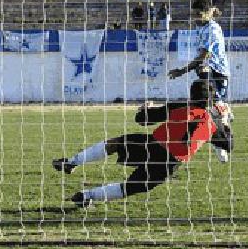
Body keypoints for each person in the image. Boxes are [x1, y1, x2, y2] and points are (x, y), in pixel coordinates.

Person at [50, 80, 231, 207]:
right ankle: (87, 196)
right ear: (210, 100)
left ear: (191, 95)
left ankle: (72, 161)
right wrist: (224, 122)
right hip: (169, 163)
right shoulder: (212, 125)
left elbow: (142, 119)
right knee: (131, 187)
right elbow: (229, 145)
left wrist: (145, 109)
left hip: (151, 145)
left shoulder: (178, 106)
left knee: (115, 143)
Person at [168, 0, 230, 104]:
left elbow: (202, 57)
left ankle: (222, 110)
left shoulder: (212, 30)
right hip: (209, 69)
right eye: (193, 14)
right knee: (206, 102)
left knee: (217, 106)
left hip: (218, 73)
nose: (195, 17)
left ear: (207, 13)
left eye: (198, 14)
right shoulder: (202, 26)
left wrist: (181, 71)